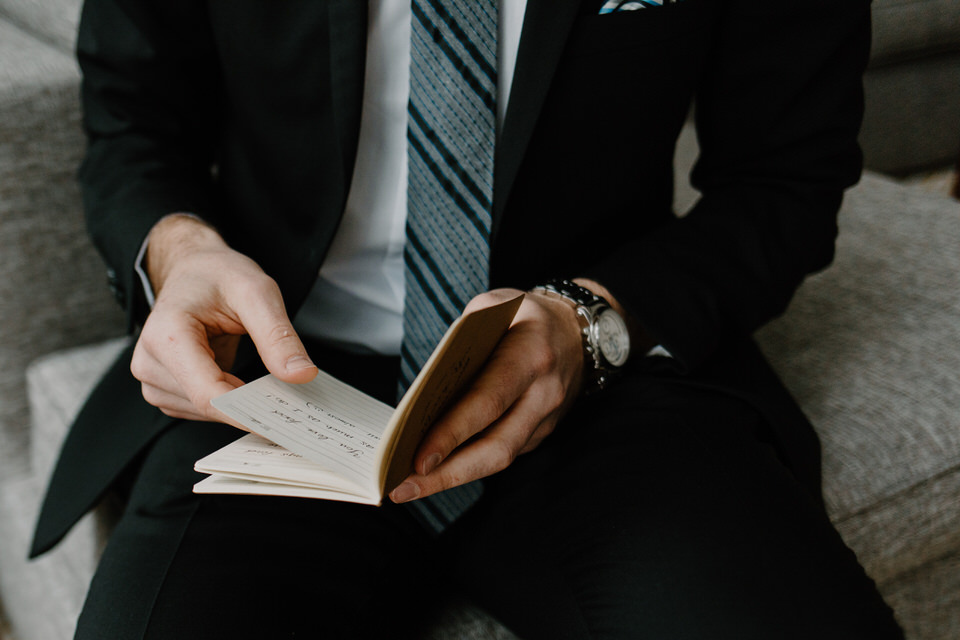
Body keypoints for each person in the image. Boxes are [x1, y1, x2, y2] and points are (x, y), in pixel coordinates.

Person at [32, 0, 905, 638]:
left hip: (592, 378)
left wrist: (591, 319)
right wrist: (180, 254)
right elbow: (132, 123)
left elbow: (785, 182)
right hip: (282, 384)